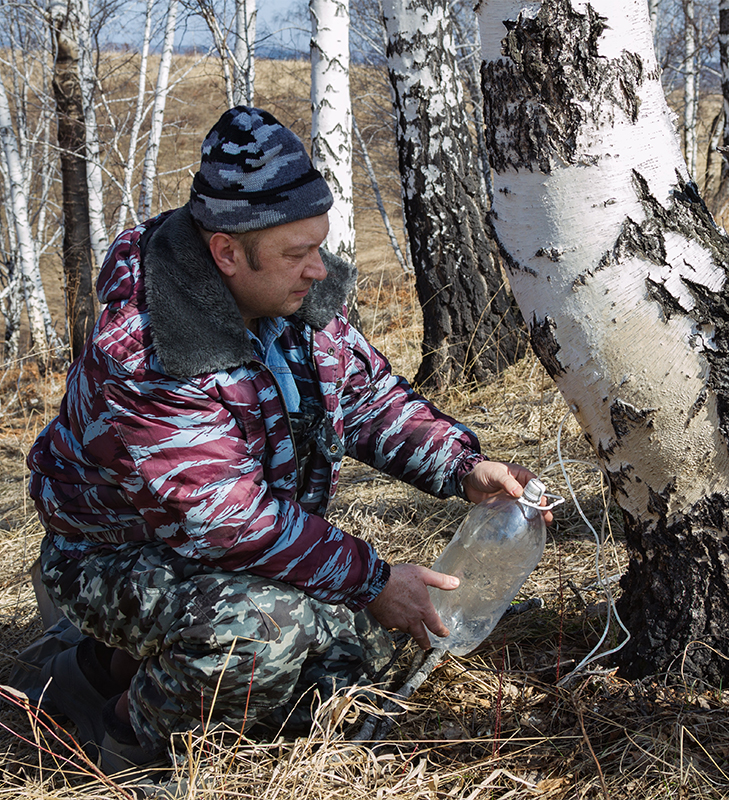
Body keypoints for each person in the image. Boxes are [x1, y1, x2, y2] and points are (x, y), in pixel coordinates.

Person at [27, 106, 544, 774]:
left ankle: (100, 669)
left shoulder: (295, 300)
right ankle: (126, 738)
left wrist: (464, 465)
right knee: (264, 631)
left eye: (319, 247)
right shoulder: (147, 352)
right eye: (297, 254)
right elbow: (229, 523)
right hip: (111, 558)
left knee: (371, 651)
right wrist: (371, 579)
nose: (317, 271)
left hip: (234, 545)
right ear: (226, 253)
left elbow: (366, 400)